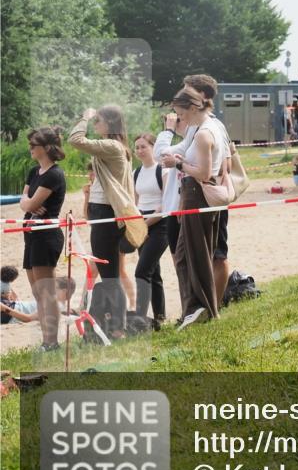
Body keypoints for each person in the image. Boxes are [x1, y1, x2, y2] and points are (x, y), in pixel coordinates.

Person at [70, 107, 147, 339]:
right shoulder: (116, 146)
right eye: (94, 121)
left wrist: (84, 117)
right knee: (111, 273)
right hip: (103, 211)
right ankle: (116, 326)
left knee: (110, 275)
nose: (95, 124)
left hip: (105, 212)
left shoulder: (112, 146)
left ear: (110, 123)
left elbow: (75, 140)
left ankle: (117, 328)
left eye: (98, 121)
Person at [167, 86, 226, 328]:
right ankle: (192, 308)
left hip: (197, 193)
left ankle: (203, 308)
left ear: (193, 108)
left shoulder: (204, 134)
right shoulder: (207, 129)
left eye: (182, 114)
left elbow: (203, 173)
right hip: (193, 193)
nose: (181, 119)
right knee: (183, 255)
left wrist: (178, 164)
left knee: (197, 254)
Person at [18, 127, 67, 349]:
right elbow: (25, 201)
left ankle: (52, 341)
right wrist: (27, 202)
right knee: (37, 293)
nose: (30, 148)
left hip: (46, 235)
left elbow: (30, 203)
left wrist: (28, 202)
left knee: (46, 292)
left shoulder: (54, 174)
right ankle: (47, 340)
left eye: (33, 145)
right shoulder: (33, 171)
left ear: (46, 148)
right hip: (31, 234)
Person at [132, 133, 168, 328]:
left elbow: (166, 203)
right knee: (153, 272)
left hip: (160, 225)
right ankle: (160, 317)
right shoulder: (135, 172)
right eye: (137, 147)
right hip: (141, 223)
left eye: (144, 146)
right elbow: (134, 201)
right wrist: (138, 223)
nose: (140, 150)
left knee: (142, 272)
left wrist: (145, 224)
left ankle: (139, 319)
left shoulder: (162, 170)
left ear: (153, 147)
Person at [1, 276, 75, 325]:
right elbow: (27, 307)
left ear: (64, 291)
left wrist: (4, 308)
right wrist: (14, 296)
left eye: (55, 287)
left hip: (8, 314)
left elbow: (28, 318)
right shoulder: (55, 302)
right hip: (11, 305)